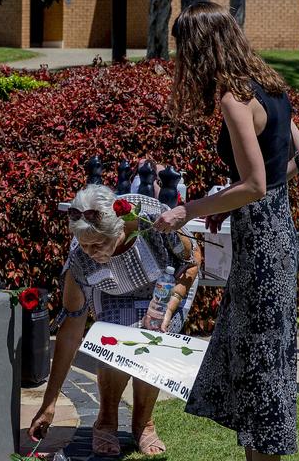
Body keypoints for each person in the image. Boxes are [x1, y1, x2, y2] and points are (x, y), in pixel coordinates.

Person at [153, 1, 299, 461]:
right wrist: (230, 202)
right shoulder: (270, 84)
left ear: (201, 47)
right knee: (263, 357)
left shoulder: (232, 98)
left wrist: (191, 208)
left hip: (262, 245)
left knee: (261, 364)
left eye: (184, 46)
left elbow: (255, 184)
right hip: (274, 232)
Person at [27, 184, 199, 457]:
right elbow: (71, 331)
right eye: (84, 245)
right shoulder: (80, 261)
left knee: (151, 345)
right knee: (113, 344)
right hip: (111, 292)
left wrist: (168, 308)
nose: (90, 251)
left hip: (164, 289)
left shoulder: (151, 223)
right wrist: (50, 403)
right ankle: (106, 420)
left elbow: (191, 261)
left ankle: (144, 423)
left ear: (118, 230)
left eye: (97, 245)